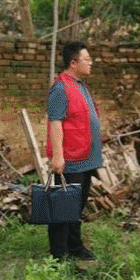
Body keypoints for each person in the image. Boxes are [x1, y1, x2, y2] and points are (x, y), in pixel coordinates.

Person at [46, 41, 102, 262]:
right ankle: (59, 256)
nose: (91, 63)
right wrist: (58, 156)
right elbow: (56, 122)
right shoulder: (61, 87)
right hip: (71, 158)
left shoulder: (79, 85)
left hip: (85, 157)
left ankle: (75, 246)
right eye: (86, 59)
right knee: (63, 208)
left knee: (76, 208)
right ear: (73, 62)